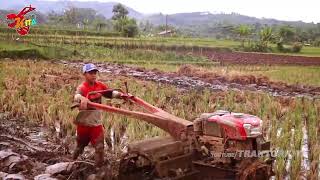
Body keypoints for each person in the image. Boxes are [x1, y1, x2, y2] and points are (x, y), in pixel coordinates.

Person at [73, 63, 126, 166]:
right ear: (84, 74)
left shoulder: (100, 85)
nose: (93, 75)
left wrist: (121, 95)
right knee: (80, 146)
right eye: (90, 73)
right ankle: (72, 162)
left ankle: (99, 170)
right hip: (83, 124)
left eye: (95, 73)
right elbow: (77, 96)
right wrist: (82, 98)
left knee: (100, 148)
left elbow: (110, 93)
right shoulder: (82, 87)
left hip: (96, 123)